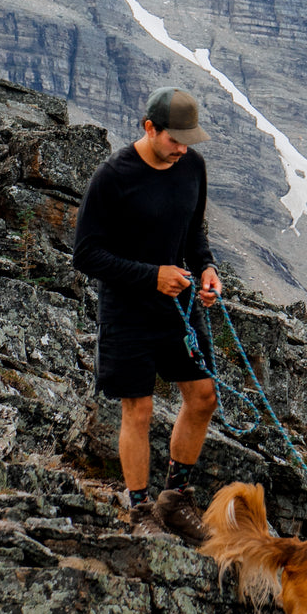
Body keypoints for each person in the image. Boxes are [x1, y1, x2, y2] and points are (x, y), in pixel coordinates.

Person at [72, 86, 223, 540]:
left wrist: (207, 268)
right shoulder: (113, 176)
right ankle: (140, 511)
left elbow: (192, 232)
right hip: (127, 311)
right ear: (149, 128)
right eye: (174, 139)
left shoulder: (192, 166)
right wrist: (151, 275)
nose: (182, 149)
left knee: (203, 397)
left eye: (188, 140)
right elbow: (86, 254)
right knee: (138, 409)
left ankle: (174, 500)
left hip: (178, 308)